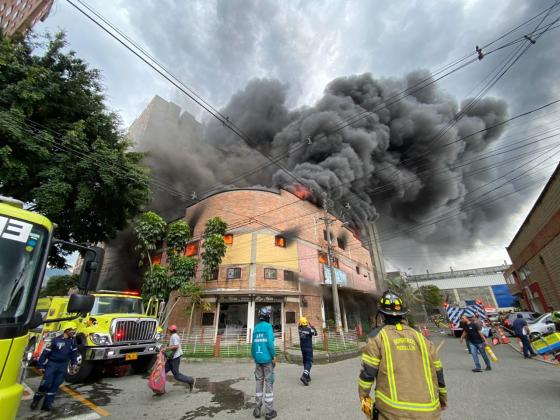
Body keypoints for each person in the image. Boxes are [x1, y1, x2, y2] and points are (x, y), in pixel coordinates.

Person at [358, 291, 447, 419]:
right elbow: (438, 371)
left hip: (392, 412)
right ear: (403, 314)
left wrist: (363, 396)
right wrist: (443, 397)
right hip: (429, 411)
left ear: (381, 314)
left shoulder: (377, 337)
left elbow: (368, 373)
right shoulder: (421, 338)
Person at [31, 321, 78, 411]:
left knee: (55, 385)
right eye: (72, 330)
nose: (73, 332)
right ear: (66, 330)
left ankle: (47, 405)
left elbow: (74, 353)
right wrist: (40, 365)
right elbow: (45, 353)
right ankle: (36, 400)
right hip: (52, 364)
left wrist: (74, 363)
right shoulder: (55, 340)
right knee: (45, 384)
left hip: (63, 366)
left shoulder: (73, 342)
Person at [251, 307, 277, 419]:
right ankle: (269, 412)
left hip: (258, 360)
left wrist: (255, 357)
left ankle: (257, 409)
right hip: (267, 360)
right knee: (269, 383)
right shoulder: (268, 327)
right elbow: (270, 343)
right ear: (267, 316)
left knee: (258, 382)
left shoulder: (256, 328)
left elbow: (252, 345)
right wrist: (274, 356)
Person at [161, 325, 194, 390]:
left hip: (175, 359)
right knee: (162, 372)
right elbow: (172, 346)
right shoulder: (173, 336)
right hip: (171, 358)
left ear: (171, 331)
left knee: (177, 376)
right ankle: (160, 389)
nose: (168, 331)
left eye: (169, 330)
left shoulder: (174, 336)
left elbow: (176, 346)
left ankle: (190, 380)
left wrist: (166, 348)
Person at [297, 316, 317, 385]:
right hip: (308, 348)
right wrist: (312, 326)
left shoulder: (299, 329)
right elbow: (315, 333)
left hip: (303, 348)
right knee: (309, 362)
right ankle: (304, 376)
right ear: (306, 323)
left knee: (305, 362)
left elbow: (299, 325)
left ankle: (307, 376)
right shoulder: (309, 330)